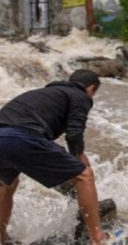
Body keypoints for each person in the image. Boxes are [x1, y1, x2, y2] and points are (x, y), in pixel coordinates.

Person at [0, 70, 106, 245]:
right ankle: (98, 239)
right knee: (84, 175)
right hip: (21, 137)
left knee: (6, 184)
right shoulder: (81, 96)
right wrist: (79, 156)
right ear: (91, 89)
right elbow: (74, 133)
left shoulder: (41, 93)